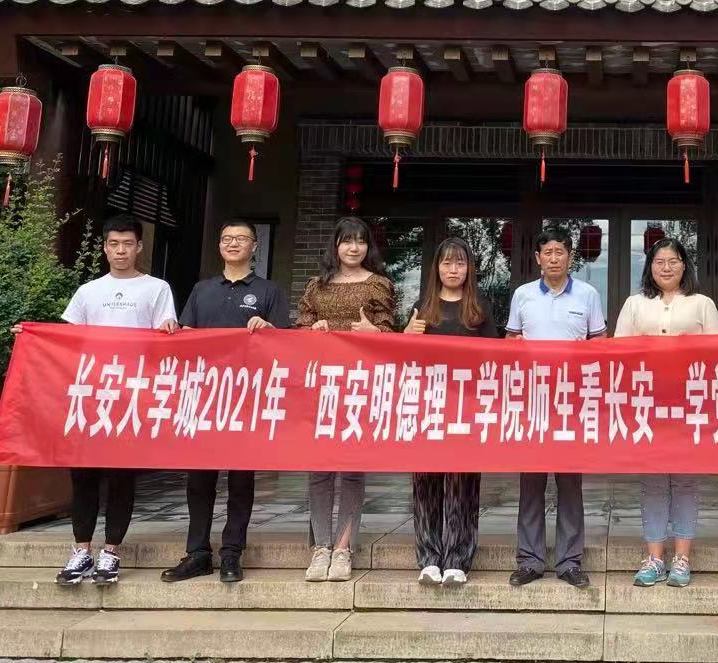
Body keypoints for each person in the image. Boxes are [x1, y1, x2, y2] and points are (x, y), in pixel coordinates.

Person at [47, 214, 177, 586]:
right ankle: (80, 551)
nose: (121, 251)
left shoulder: (157, 289)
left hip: (131, 395)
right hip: (91, 393)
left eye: (128, 244)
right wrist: (31, 335)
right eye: (114, 244)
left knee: (122, 476)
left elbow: (165, 339)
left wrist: (170, 330)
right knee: (83, 475)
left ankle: (110, 552)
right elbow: (68, 341)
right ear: (105, 248)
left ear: (139, 247)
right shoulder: (88, 291)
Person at [161, 218, 289, 586]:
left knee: (241, 479)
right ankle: (197, 553)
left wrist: (269, 330)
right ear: (219, 245)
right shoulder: (202, 290)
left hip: (246, 397)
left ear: (254, 246)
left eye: (240, 238)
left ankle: (233, 551)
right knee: (199, 478)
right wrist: (173, 331)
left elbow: (286, 343)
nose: (232, 244)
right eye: (226, 238)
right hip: (204, 395)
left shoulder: (268, 291)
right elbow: (187, 337)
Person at [613, 237, 718, 588]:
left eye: (673, 261)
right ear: (650, 267)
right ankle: (655, 558)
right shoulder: (634, 304)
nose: (666, 267)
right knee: (653, 481)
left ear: (684, 265)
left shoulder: (702, 304)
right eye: (659, 261)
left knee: (686, 480)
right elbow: (620, 354)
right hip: (648, 405)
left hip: (690, 404)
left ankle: (683, 557)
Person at [295, 216, 396, 582]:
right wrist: (313, 329)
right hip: (322, 384)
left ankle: (343, 547)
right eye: (347, 241)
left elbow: (392, 334)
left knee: (352, 468)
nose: (354, 248)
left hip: (359, 384)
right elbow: (299, 330)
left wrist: (374, 332)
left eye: (361, 241)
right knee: (319, 468)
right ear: (335, 245)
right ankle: (320, 547)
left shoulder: (379, 284)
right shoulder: (316, 286)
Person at [506, 230, 607, 589]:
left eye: (560, 252)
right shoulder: (522, 294)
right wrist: (515, 345)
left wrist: (588, 352)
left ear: (570, 257)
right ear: (537, 258)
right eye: (547, 252)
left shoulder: (588, 294)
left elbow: (601, 344)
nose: (553, 258)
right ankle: (529, 560)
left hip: (572, 402)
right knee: (531, 482)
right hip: (533, 401)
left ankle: (569, 561)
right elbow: (510, 341)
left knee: (570, 483)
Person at [403, 236, 499, 588]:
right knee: (426, 484)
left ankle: (458, 559)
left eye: (460, 263)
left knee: (462, 486)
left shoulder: (480, 309)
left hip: (466, 409)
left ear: (469, 268)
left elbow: (496, 358)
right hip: (428, 407)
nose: (453, 269)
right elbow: (403, 356)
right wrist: (407, 335)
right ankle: (429, 558)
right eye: (446, 263)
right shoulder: (422, 307)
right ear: (437, 268)